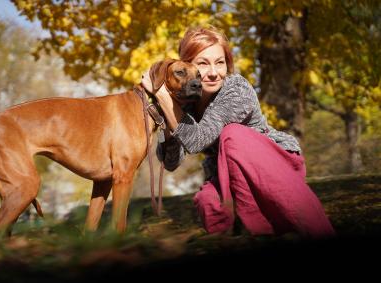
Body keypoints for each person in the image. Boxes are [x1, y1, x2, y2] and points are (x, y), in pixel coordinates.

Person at [141, 26, 335, 238]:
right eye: (203, 63)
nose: (214, 73)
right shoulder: (186, 103)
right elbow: (171, 163)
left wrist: (163, 97)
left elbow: (197, 140)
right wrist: (168, 115)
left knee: (233, 135)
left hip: (272, 164)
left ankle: (318, 230)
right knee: (207, 201)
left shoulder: (236, 90)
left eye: (220, 62)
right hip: (228, 175)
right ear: (187, 66)